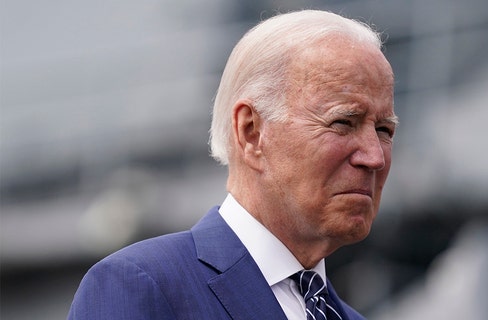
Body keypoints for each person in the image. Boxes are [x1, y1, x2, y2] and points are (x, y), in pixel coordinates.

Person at [68, 9, 397, 320]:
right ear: (251, 132)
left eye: (384, 130)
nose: (374, 157)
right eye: (343, 122)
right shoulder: (142, 286)